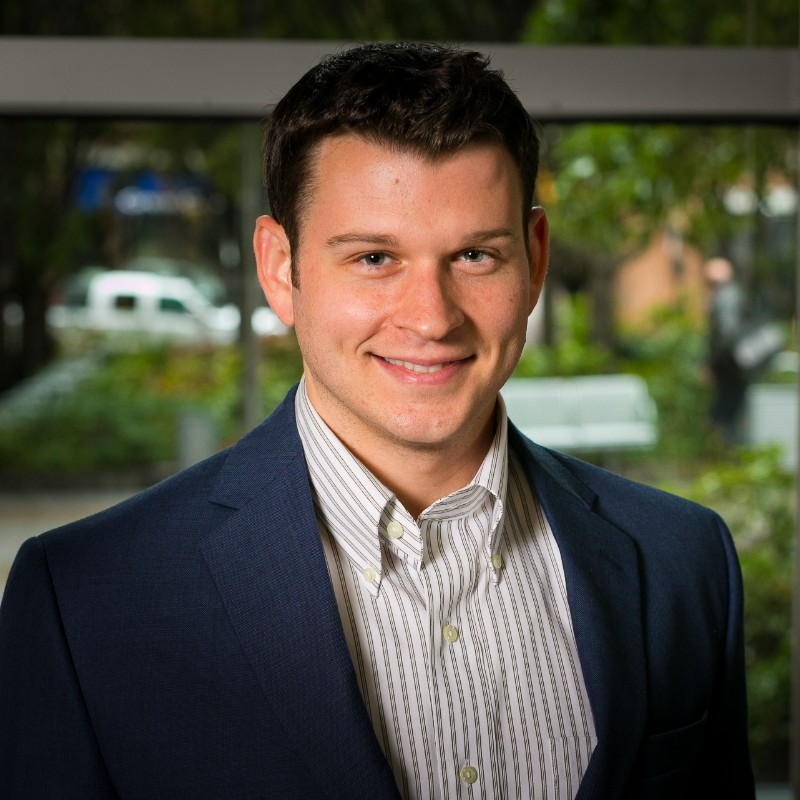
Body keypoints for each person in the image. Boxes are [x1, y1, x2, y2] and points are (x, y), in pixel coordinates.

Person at [0, 43, 754, 799]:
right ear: (278, 269)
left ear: (534, 258)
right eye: (372, 258)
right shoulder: (86, 602)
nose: (430, 318)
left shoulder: (685, 562)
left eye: (474, 256)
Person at [704, 256, 749, 444]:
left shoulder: (725, 298)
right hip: (735, 361)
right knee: (730, 409)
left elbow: (725, 335)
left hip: (730, 363)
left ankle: (728, 452)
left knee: (725, 412)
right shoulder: (733, 294)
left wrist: (712, 365)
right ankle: (729, 453)